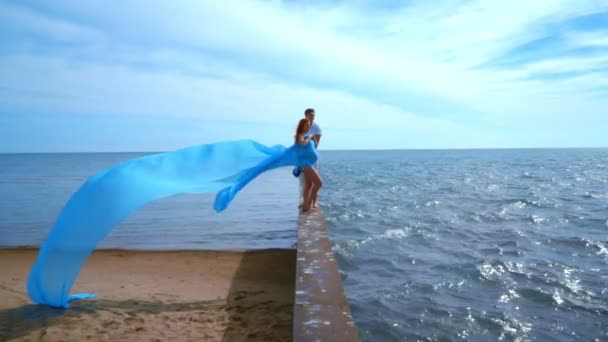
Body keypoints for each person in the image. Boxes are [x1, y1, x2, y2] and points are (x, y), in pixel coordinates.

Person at [294, 108, 322, 208]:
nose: (312, 117)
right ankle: (306, 203)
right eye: (310, 115)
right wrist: (310, 136)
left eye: (313, 115)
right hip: (304, 162)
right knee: (311, 182)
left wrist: (312, 137)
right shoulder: (301, 133)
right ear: (305, 115)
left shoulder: (316, 128)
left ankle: (310, 204)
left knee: (310, 183)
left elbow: (315, 145)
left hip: (311, 161)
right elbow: (300, 145)